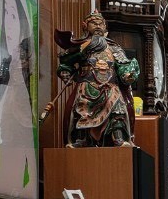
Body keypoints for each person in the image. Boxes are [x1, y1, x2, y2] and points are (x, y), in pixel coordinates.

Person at [0, 0, 39, 195]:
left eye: (14, 15)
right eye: (5, 12)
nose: (8, 25)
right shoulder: (5, 67)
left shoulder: (27, 74)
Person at [59, 12, 139, 147]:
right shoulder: (82, 46)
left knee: (117, 108)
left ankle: (118, 137)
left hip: (110, 85)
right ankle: (82, 139)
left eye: (100, 24)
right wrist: (65, 71)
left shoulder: (113, 48)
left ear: (105, 26)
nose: (97, 26)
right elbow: (66, 62)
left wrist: (127, 74)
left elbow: (123, 64)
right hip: (87, 85)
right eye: (93, 23)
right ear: (85, 26)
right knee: (82, 108)